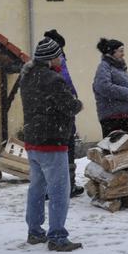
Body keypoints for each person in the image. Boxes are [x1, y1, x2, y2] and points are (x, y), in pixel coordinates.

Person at [20, 35, 83, 251]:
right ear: (51, 58)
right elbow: (69, 106)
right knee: (59, 191)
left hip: (33, 141)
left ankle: (35, 231)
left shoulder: (27, 77)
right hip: (52, 141)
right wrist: (78, 104)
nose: (62, 59)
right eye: (59, 56)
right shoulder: (52, 80)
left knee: (37, 188)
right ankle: (57, 236)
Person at [42, 29, 84, 198]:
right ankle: (67, 186)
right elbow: (66, 82)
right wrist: (73, 99)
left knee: (53, 154)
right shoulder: (58, 64)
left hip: (50, 118)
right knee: (66, 150)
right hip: (62, 115)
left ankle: (52, 187)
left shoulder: (40, 65)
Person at [93, 38, 128, 137]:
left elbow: (124, 85)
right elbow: (103, 87)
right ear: (112, 52)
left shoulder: (119, 68)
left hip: (123, 115)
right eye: (121, 51)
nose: (123, 54)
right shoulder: (104, 67)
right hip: (112, 117)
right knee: (115, 147)